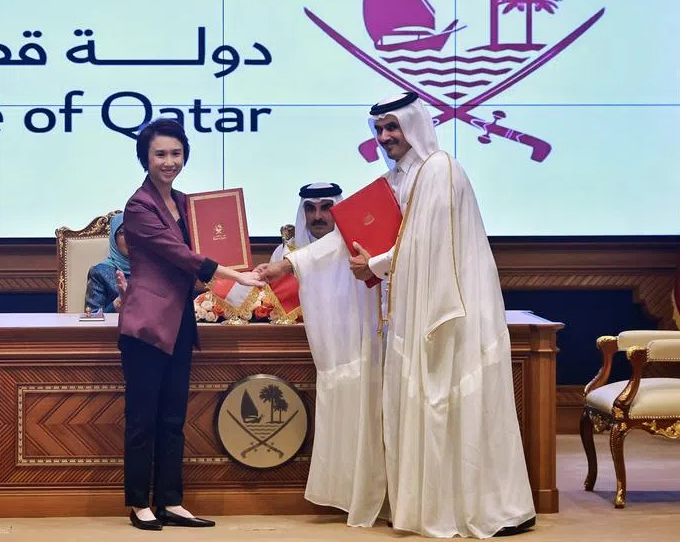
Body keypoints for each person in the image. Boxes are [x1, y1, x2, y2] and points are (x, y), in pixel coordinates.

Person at [256, 92, 536, 538]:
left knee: (452, 403)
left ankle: (484, 507)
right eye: (379, 129)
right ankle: (429, 506)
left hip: (450, 312)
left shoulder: (440, 169)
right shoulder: (398, 178)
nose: (385, 136)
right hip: (414, 309)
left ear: (414, 124)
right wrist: (288, 264)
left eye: (392, 126)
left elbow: (426, 240)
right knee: (426, 405)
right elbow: (343, 237)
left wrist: (374, 265)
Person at [117, 118, 263, 531]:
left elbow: (207, 248)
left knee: (172, 418)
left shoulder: (186, 203)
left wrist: (233, 270)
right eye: (160, 154)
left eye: (176, 153)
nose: (169, 161)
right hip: (147, 325)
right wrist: (235, 274)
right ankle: (138, 503)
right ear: (145, 158)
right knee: (143, 419)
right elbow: (179, 255)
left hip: (180, 321)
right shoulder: (138, 206)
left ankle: (170, 500)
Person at [283, 182, 386, 526]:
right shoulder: (286, 255)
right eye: (310, 209)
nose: (318, 216)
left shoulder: (359, 252)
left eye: (327, 207)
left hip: (359, 356)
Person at [84, 212, 129, 314]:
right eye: (123, 232)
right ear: (114, 239)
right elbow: (92, 316)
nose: (130, 238)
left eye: (134, 231)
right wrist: (118, 303)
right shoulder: (100, 273)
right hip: (113, 325)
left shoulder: (151, 270)